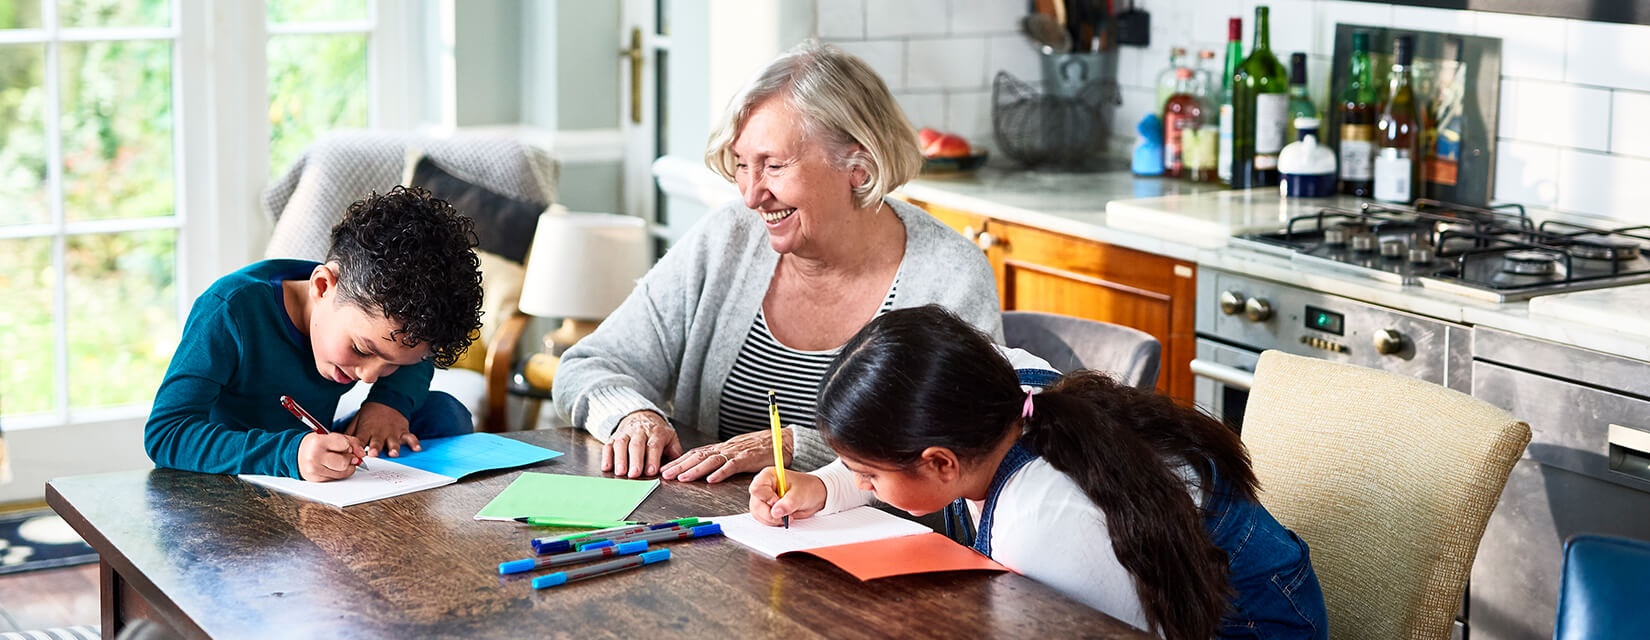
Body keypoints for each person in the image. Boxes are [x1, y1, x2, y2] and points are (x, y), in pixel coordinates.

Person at [551, 41, 1001, 481]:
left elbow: (968, 450)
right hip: (709, 536)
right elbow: (587, 364)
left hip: (874, 548)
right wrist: (633, 415)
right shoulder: (727, 237)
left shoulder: (951, 275)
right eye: (742, 164)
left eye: (774, 166)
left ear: (858, 167)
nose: (750, 196)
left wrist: (792, 447)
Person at [750, 305, 1328, 640]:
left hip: (1254, 619)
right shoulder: (997, 387)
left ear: (940, 463)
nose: (865, 486)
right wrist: (824, 485)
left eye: (867, 476)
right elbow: (893, 453)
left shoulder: (1045, 524)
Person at [145, 186, 485, 482]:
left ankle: (393, 512)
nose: (368, 377)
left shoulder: (376, 318)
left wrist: (388, 402)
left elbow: (412, 357)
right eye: (361, 349)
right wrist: (290, 454)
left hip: (318, 455)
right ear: (322, 286)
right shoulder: (231, 310)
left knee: (443, 412)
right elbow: (166, 434)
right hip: (236, 474)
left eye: (390, 364)